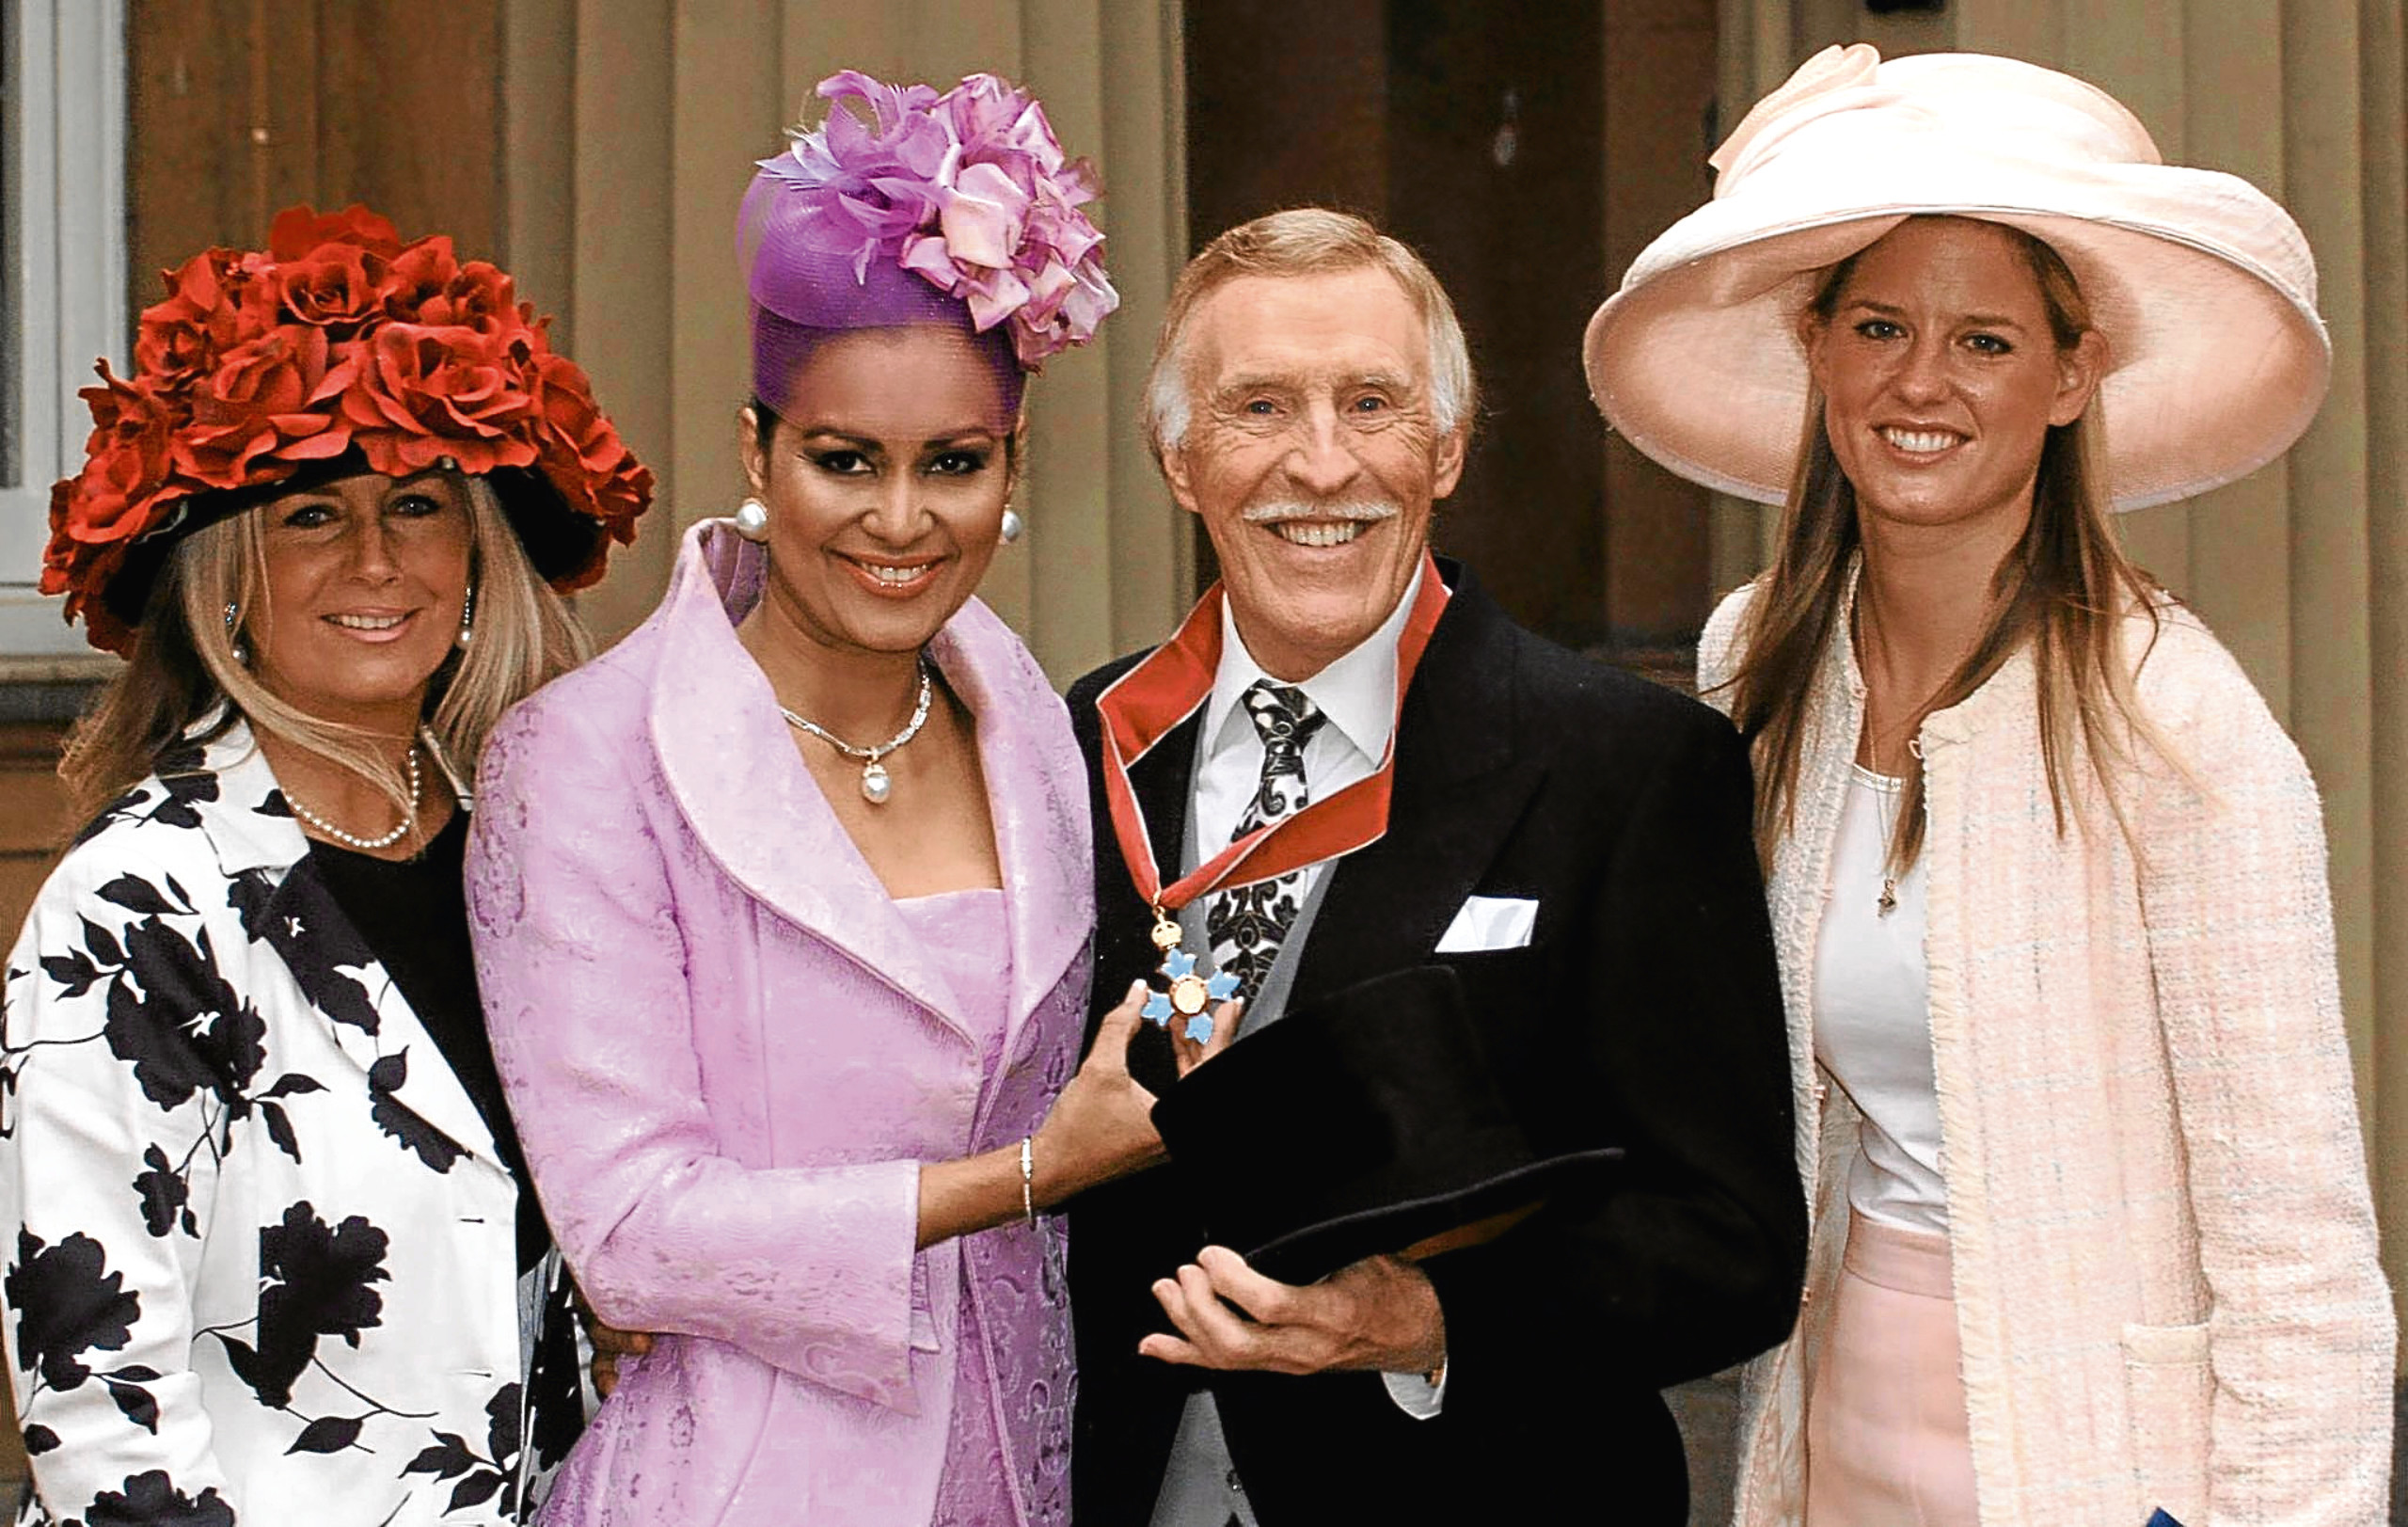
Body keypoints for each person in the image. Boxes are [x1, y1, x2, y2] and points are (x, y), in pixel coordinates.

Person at [1586, 44, 2396, 1525]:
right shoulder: (1755, 662)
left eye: (1987, 343)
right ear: (1815, 348)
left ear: (2075, 374)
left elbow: (2300, 1254)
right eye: (1881, 325)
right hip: (1828, 1434)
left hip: (2099, 1458)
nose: (1920, 384)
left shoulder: (2177, 723)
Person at [464, 72, 1187, 1527]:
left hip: (1024, 1477)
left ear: (1013, 465)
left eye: (955, 465)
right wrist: (1036, 1172)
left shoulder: (1045, 731)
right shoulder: (584, 760)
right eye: (845, 461)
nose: (902, 522)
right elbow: (631, 1234)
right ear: (757, 451)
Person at [1062, 207, 1807, 1527]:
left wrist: (1421, 1321)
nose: (1323, 462)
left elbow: (1731, 1249)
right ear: (1178, 458)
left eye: (1371, 403)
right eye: (1259, 408)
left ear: (1448, 446)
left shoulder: (1625, 768)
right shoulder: (1077, 747)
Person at [2, 203, 653, 1525]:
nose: (375, 560)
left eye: (417, 504)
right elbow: (95, 1391)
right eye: (310, 515)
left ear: (476, 555)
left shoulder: (533, 856)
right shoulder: (137, 907)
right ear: (223, 571)